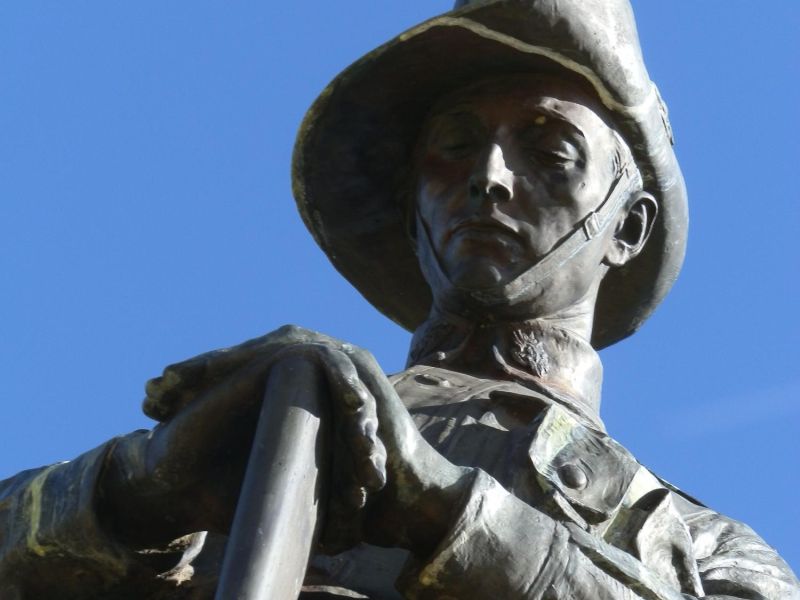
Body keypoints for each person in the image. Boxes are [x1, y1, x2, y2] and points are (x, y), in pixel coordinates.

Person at [1, 1, 798, 599]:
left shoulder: (701, 544)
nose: (488, 178)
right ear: (412, 204)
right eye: (454, 147)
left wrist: (450, 512)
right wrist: (136, 492)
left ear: (627, 226)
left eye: (549, 149)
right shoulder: (265, 419)